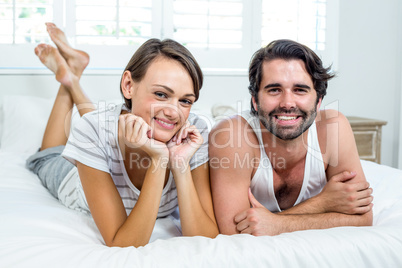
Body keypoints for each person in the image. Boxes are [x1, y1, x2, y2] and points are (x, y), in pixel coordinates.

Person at [26, 23, 218, 247]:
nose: (174, 111)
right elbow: (124, 244)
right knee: (47, 154)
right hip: (73, 179)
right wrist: (159, 159)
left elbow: (205, 239)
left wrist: (179, 164)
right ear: (128, 85)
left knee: (102, 126)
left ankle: (72, 76)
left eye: (185, 100)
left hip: (103, 136)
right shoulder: (93, 129)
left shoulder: (195, 132)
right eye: (161, 94)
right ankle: (69, 80)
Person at [209, 39, 374, 236]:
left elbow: (363, 218)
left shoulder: (333, 127)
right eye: (274, 90)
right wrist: (322, 203)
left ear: (319, 100)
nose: (287, 103)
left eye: (300, 90)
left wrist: (277, 223)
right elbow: (233, 232)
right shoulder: (232, 134)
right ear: (255, 100)